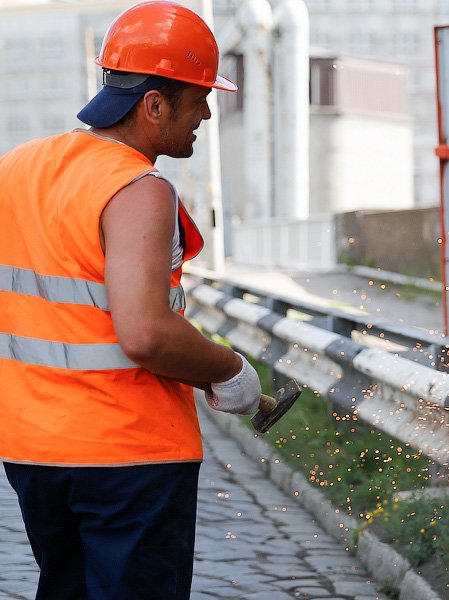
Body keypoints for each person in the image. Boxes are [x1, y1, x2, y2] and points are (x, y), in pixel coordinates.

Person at [0, 2, 264, 598]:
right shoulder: (137, 188)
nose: (207, 113)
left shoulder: (15, 169)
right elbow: (145, 333)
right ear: (154, 105)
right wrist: (229, 370)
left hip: (32, 449)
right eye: (199, 99)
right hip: (127, 454)